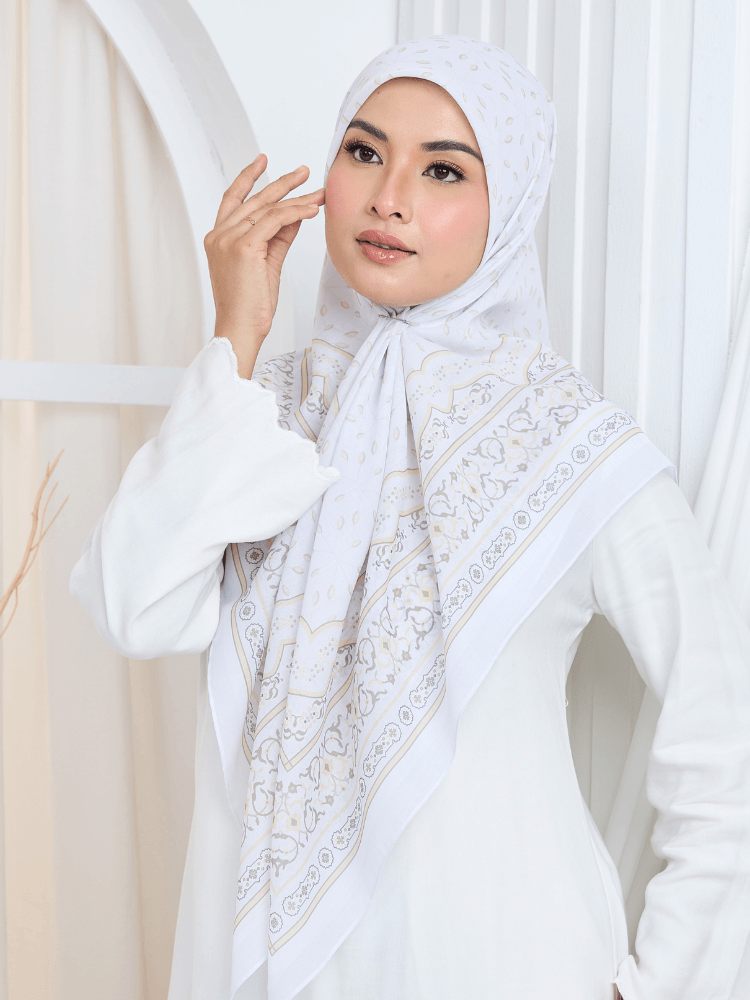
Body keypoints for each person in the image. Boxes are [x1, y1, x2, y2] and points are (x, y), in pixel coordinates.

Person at [70, 35, 750, 1000]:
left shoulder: (571, 443)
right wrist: (233, 338)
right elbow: (132, 603)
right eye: (364, 151)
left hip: (504, 963)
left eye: (443, 169)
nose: (389, 197)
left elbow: (727, 745)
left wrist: (664, 987)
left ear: (510, 205)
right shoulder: (259, 416)